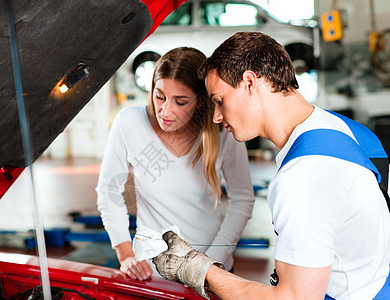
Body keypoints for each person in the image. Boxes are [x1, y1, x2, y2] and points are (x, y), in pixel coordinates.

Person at [152, 32, 390, 299]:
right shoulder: (346, 129)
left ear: (250, 82)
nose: (216, 116)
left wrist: (198, 269)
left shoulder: (302, 179)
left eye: (219, 100)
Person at [96, 47, 255, 280]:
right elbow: (108, 192)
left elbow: (243, 199)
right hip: (152, 272)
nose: (165, 111)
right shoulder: (129, 123)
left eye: (180, 102)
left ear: (201, 101)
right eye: (159, 96)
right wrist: (125, 254)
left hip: (213, 269)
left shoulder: (223, 132)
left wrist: (209, 264)